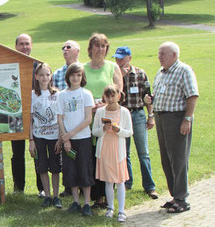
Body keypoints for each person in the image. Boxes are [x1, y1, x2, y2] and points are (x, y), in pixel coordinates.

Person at [145, 42, 198, 213]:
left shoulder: (184, 71)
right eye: (159, 54)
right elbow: (162, 94)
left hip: (176, 118)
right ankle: (175, 195)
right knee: (166, 159)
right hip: (162, 118)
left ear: (174, 55)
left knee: (178, 159)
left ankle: (182, 199)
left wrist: (187, 119)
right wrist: (151, 100)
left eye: (163, 54)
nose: (159, 57)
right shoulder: (161, 73)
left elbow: (192, 95)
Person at [83, 33, 123, 209]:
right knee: (93, 157)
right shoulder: (82, 68)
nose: (100, 49)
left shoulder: (113, 67)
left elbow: (118, 93)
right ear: (90, 49)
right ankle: (96, 195)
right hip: (88, 120)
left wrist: (104, 103)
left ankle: (107, 196)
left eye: (103, 46)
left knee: (107, 158)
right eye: (97, 46)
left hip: (108, 119)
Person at [113, 46, 158, 199]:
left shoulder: (140, 74)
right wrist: (120, 78)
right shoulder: (114, 75)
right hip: (122, 115)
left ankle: (149, 186)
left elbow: (148, 97)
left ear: (129, 58)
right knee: (124, 152)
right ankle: (127, 182)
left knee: (143, 152)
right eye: (117, 58)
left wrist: (150, 116)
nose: (119, 61)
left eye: (122, 58)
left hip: (138, 114)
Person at [57, 63, 95, 216]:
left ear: (82, 77)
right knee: (70, 170)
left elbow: (88, 119)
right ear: (68, 77)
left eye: (79, 75)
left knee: (85, 169)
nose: (75, 78)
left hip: (83, 137)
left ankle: (86, 203)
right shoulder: (62, 95)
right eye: (73, 75)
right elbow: (60, 118)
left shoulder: (86, 94)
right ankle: (75, 202)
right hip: (68, 140)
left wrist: (70, 134)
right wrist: (65, 139)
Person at [92, 85, 133, 222]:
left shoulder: (125, 112)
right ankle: (110, 207)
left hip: (118, 150)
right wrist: (104, 128)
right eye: (107, 96)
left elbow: (129, 132)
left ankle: (121, 210)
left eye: (113, 96)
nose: (110, 99)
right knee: (108, 181)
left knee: (120, 180)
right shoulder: (100, 112)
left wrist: (118, 130)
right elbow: (94, 132)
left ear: (118, 96)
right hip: (104, 149)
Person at [13, 33, 44, 195]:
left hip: (36, 116)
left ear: (31, 46)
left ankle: (41, 188)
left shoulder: (39, 67)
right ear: (16, 46)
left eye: (27, 44)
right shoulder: (10, 65)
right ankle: (18, 188)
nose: (24, 47)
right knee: (17, 153)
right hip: (15, 116)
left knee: (37, 151)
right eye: (21, 44)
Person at [29, 63, 62, 208]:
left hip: (54, 136)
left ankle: (56, 195)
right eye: (41, 75)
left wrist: (61, 138)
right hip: (39, 136)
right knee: (41, 166)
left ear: (51, 76)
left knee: (55, 167)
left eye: (47, 74)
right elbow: (29, 119)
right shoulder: (32, 95)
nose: (44, 78)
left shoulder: (57, 94)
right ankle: (47, 195)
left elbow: (61, 117)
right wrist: (31, 140)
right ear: (36, 76)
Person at [54, 40, 81, 197]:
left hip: (81, 121)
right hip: (63, 120)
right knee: (66, 153)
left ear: (77, 51)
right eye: (63, 47)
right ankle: (69, 186)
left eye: (68, 47)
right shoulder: (57, 74)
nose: (65, 49)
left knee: (83, 154)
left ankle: (83, 185)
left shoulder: (84, 70)